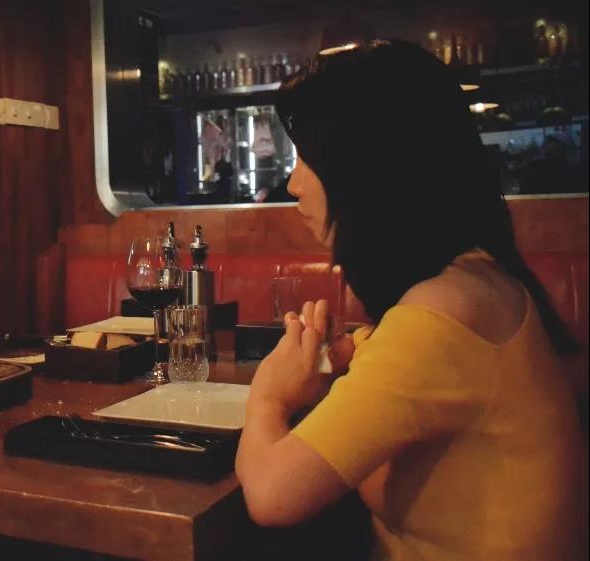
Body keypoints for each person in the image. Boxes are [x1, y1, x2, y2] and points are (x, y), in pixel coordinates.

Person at [236, 40, 585, 560]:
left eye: (309, 159)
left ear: (371, 170)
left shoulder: (441, 315)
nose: (293, 184)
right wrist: (346, 363)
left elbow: (270, 494)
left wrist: (269, 395)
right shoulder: (476, 278)